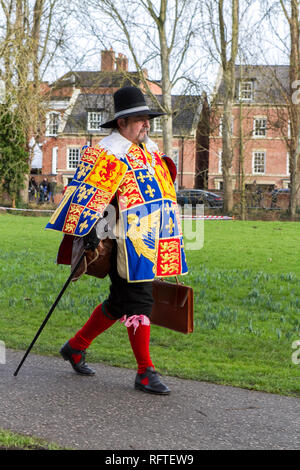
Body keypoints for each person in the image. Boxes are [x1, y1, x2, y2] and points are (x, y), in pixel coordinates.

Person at [45, 86, 188, 395]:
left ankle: (76, 346)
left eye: (147, 119)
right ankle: (145, 372)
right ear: (122, 123)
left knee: (119, 302)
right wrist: (92, 226)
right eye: (139, 119)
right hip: (123, 242)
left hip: (148, 239)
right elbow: (87, 195)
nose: (146, 125)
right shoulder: (107, 152)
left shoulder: (147, 152)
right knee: (140, 301)